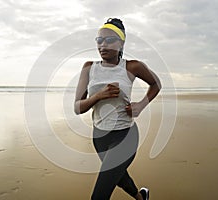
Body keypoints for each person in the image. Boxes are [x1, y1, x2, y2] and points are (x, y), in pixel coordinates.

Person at [74, 18, 161, 200]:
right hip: (99, 138)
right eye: (99, 40)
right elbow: (77, 107)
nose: (103, 45)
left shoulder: (132, 67)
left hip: (125, 136)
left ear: (121, 43)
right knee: (120, 178)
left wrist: (140, 105)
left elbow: (156, 83)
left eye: (110, 40)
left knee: (99, 196)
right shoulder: (89, 68)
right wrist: (98, 96)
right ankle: (141, 197)